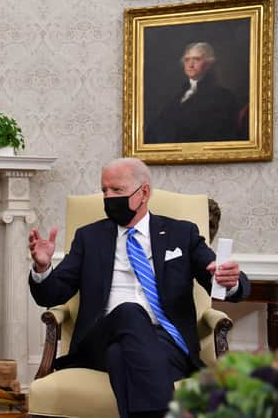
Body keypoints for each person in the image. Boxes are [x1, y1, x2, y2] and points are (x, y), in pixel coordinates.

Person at [28, 157, 250, 418]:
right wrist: (42, 268)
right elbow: (52, 294)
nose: (108, 197)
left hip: (167, 342)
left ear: (143, 192)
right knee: (130, 312)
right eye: (104, 191)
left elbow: (217, 277)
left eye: (117, 190)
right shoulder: (90, 237)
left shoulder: (181, 233)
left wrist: (230, 281)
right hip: (101, 337)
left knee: (120, 355)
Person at [145, 42, 245, 144]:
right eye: (187, 60)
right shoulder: (176, 96)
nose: (190, 65)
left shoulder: (223, 96)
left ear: (209, 64)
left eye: (196, 59)